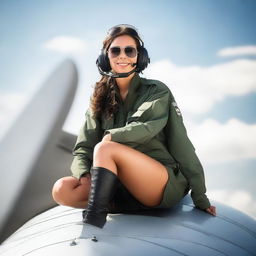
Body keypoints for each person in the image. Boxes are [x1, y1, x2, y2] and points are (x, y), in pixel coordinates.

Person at [52, 24, 216, 228]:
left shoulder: (156, 91)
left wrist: (200, 195)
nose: (123, 56)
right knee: (62, 189)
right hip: (119, 185)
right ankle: (116, 201)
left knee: (106, 147)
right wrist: (84, 175)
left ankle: (94, 220)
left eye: (130, 50)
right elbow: (83, 148)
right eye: (115, 50)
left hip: (159, 182)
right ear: (105, 56)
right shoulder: (99, 98)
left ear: (140, 56)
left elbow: (161, 135)